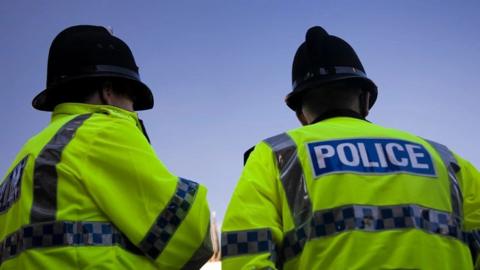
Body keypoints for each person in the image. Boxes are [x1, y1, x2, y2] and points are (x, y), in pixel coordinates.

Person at [221, 26, 480, 269]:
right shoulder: (446, 160)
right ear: (366, 99)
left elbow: (245, 254)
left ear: (300, 114)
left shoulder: (276, 155)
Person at [0, 25, 213, 269]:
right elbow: (191, 238)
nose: (133, 111)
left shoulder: (26, 157)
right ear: (108, 92)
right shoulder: (101, 131)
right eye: (133, 99)